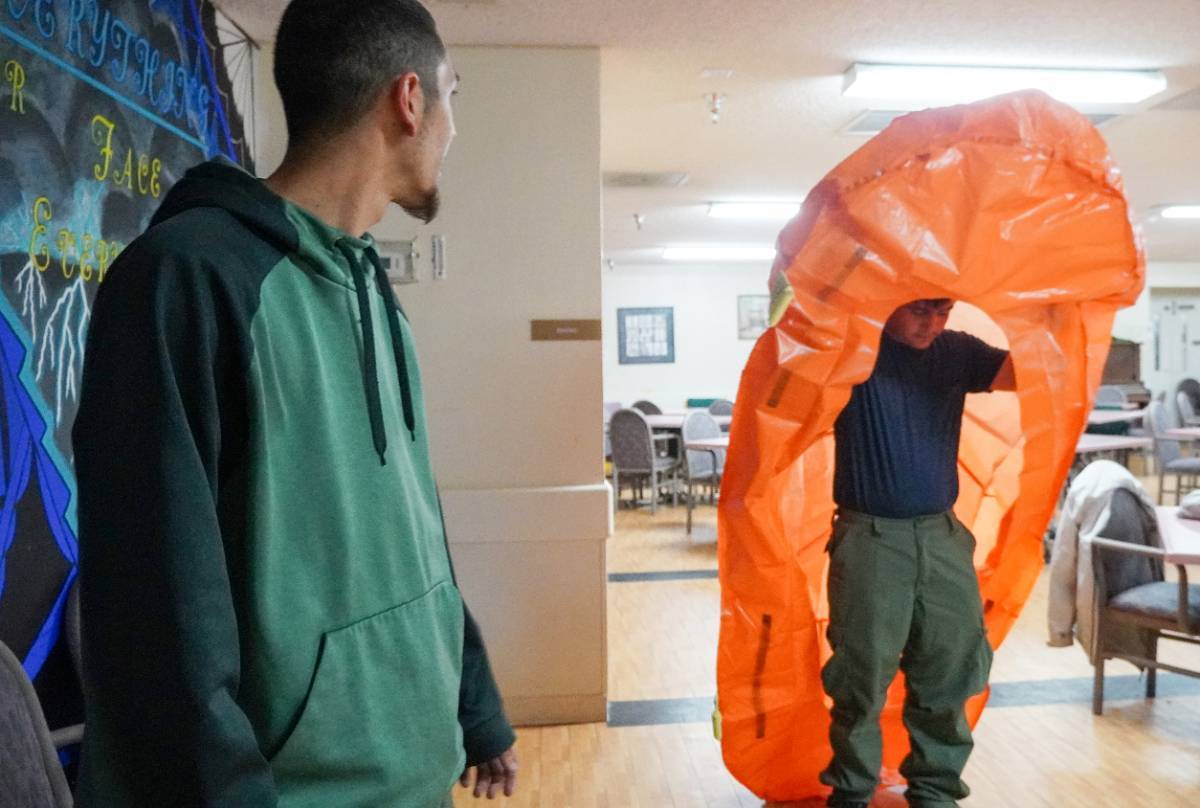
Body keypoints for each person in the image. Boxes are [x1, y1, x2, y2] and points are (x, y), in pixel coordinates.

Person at [72, 1, 517, 805]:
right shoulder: (187, 280)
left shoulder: (374, 292)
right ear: (409, 99)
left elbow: (413, 530)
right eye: (456, 96)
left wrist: (474, 709)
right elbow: (157, 614)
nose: (454, 129)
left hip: (416, 777)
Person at [820, 298, 1015, 808]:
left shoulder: (956, 352)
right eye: (920, 311)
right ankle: (852, 794)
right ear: (885, 299)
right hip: (870, 540)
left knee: (950, 668)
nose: (934, 324)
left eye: (944, 310)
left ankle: (935, 794)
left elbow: (1034, 372)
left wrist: (1052, 314)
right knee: (860, 677)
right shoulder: (851, 349)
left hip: (942, 538)